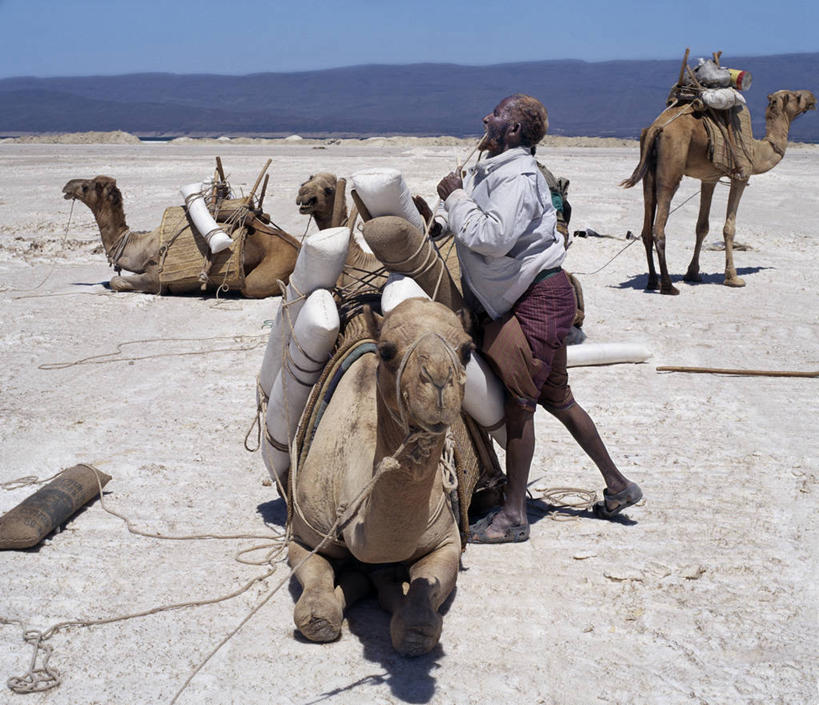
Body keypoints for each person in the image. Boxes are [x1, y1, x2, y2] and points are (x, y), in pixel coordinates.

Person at [427, 94, 642, 543]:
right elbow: (472, 220)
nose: (485, 117)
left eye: (496, 115)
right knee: (558, 398)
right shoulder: (494, 170)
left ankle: (514, 515)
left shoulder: (520, 179)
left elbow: (492, 236)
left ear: (512, 131)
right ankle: (618, 485)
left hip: (535, 300)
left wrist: (456, 197)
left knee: (519, 406)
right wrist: (443, 216)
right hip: (534, 297)